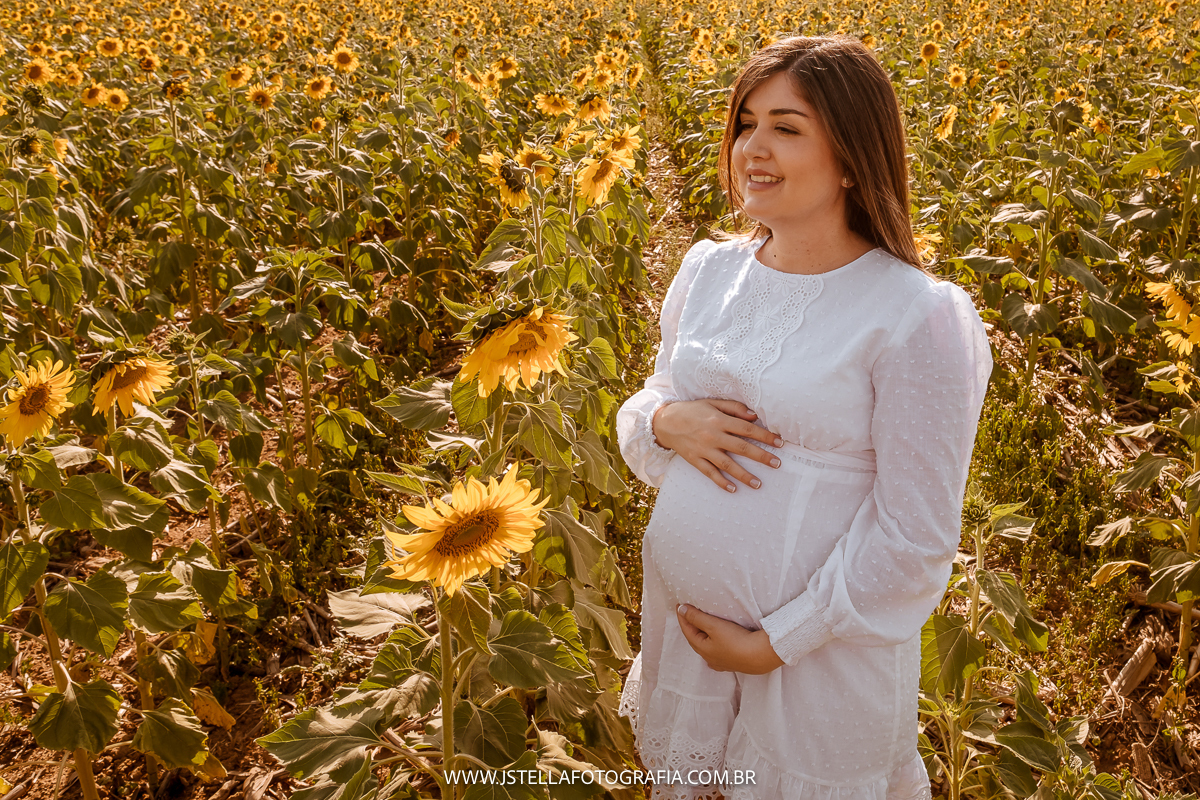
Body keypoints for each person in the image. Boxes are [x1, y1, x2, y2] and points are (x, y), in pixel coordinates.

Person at [614, 35, 992, 800]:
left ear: (852, 156)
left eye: (786, 128)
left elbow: (915, 538)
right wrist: (664, 422)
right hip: (687, 646)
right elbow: (650, 404)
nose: (752, 148)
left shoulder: (915, 316)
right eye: (745, 123)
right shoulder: (708, 270)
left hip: (820, 659)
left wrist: (775, 644)